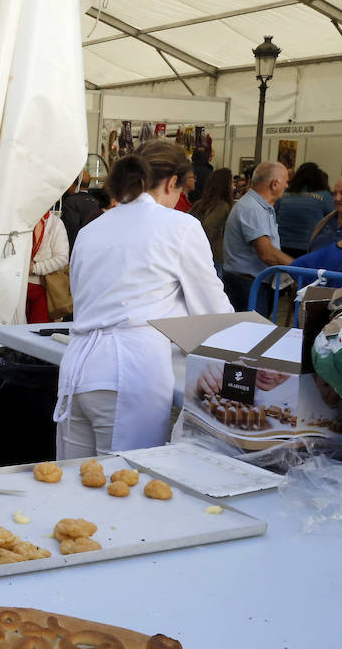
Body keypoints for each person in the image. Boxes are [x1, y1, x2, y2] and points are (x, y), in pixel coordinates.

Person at [53, 140, 232, 459]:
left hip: (78, 369)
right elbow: (214, 314)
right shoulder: (180, 226)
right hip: (131, 371)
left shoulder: (93, 228)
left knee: (75, 487)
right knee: (126, 486)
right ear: (173, 182)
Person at [223, 161, 293, 312]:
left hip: (249, 284)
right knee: (252, 333)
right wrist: (297, 267)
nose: (287, 186)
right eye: (286, 182)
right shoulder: (252, 208)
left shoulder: (259, 206)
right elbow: (266, 253)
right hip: (246, 286)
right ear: (274, 184)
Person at [274, 163, 333, 258]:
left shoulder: (283, 195)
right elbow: (333, 218)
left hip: (282, 247)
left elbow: (273, 216)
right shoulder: (324, 196)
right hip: (309, 248)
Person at [188, 168, 234, 276]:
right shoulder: (223, 206)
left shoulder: (199, 203)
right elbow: (208, 226)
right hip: (214, 255)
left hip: (196, 254)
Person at [26, 210, 69, 323]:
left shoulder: (55, 223)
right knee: (12, 331)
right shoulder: (21, 220)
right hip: (17, 286)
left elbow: (62, 258)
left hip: (44, 287)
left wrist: (34, 269)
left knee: (37, 331)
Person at [59, 170, 100, 251]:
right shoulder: (96, 202)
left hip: (76, 249)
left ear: (73, 184)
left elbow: (70, 229)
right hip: (93, 248)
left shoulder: (70, 202)